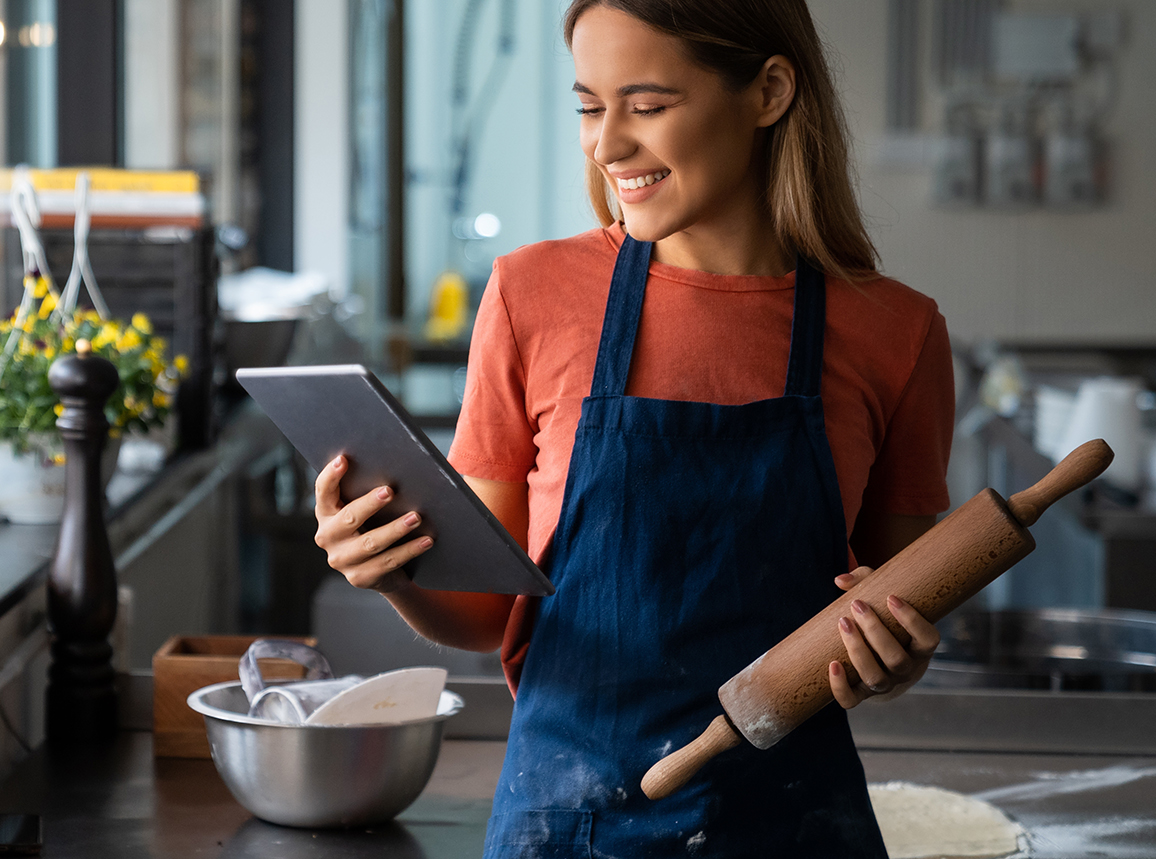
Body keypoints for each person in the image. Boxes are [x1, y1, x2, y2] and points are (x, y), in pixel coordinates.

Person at [314, 1, 955, 855]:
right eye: (589, 105)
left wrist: (896, 658)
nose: (606, 144)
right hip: (564, 824)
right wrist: (389, 569)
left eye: (647, 105)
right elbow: (483, 611)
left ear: (767, 91)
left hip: (795, 826)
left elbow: (890, 603)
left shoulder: (895, 333)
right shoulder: (529, 296)